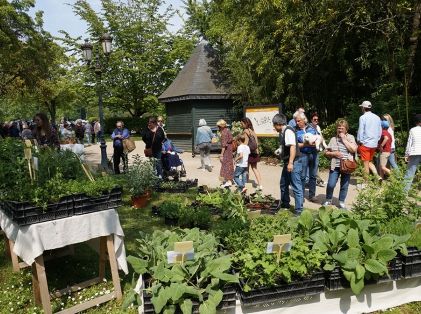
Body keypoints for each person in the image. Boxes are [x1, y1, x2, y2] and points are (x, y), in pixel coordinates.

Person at [322, 119, 358, 209]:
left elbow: (353, 149)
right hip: (335, 166)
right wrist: (333, 154)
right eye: (338, 128)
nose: (340, 130)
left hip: (347, 166)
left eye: (342, 128)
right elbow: (325, 152)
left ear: (346, 129)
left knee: (344, 185)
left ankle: (341, 202)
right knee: (331, 184)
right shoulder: (333, 139)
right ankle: (328, 199)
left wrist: (344, 139)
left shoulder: (350, 138)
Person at [273, 113, 303, 215]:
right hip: (287, 162)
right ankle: (285, 204)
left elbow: (293, 147)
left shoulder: (288, 131)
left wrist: (290, 163)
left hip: (294, 162)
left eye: (274, 125)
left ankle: (299, 211)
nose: (274, 127)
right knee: (283, 183)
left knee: (296, 186)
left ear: (278, 124)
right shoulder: (282, 132)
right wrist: (279, 151)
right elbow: (284, 146)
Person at [357, 100, 382, 184]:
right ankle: (377, 176)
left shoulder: (363, 117)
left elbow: (361, 130)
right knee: (369, 161)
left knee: (365, 164)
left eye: (362, 107)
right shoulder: (377, 117)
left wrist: (359, 141)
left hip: (365, 144)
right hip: (374, 144)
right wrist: (377, 140)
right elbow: (380, 131)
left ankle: (366, 182)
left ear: (363, 108)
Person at [295, 112, 318, 203]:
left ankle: (312, 195)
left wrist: (307, 143)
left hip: (314, 154)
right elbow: (303, 140)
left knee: (313, 176)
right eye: (296, 121)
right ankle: (301, 196)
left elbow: (314, 141)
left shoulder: (311, 128)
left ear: (304, 120)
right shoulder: (295, 131)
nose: (297, 123)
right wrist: (308, 142)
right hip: (303, 155)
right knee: (303, 176)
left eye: (298, 121)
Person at [240, 117, 263, 191]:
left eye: (242, 123)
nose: (241, 125)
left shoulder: (246, 131)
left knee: (246, 169)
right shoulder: (252, 131)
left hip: (249, 153)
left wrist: (241, 152)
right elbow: (256, 142)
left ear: (245, 123)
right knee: (255, 168)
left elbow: (246, 143)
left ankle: (245, 185)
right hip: (255, 152)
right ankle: (260, 185)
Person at [404, 114, 421, 192]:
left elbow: (409, 142)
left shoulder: (412, 130)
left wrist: (406, 154)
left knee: (410, 173)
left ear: (416, 122)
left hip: (415, 152)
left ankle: (404, 193)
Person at [217, 119, 234, 188]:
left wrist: (221, 155)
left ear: (221, 126)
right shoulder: (228, 130)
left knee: (225, 165)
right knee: (229, 165)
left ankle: (227, 182)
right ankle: (230, 180)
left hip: (226, 151)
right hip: (230, 149)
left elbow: (223, 145)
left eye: (218, 126)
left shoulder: (223, 133)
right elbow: (231, 139)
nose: (218, 128)